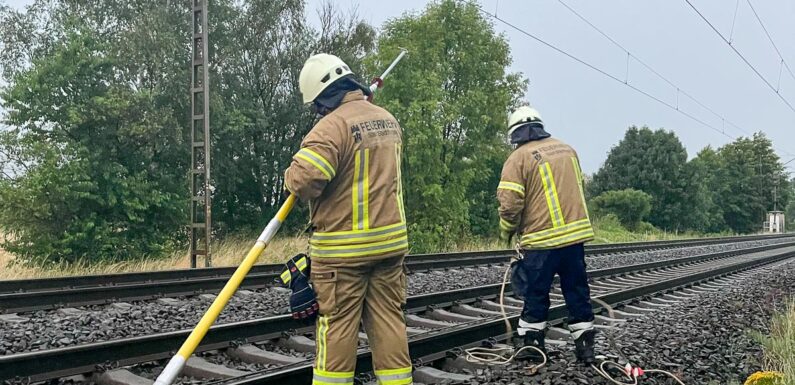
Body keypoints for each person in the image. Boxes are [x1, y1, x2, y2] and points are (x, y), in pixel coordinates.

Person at [284, 53, 412, 385]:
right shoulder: (387, 119)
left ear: (322, 97)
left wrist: (289, 173)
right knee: (389, 323)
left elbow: (305, 180)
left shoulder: (330, 127)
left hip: (343, 253)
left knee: (337, 328)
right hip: (390, 248)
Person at [496, 106, 597, 364]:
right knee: (577, 293)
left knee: (536, 294)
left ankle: (532, 347)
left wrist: (507, 231)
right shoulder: (567, 149)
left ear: (515, 133)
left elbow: (509, 204)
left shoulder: (518, 158)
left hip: (542, 242)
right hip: (574, 240)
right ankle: (585, 349)